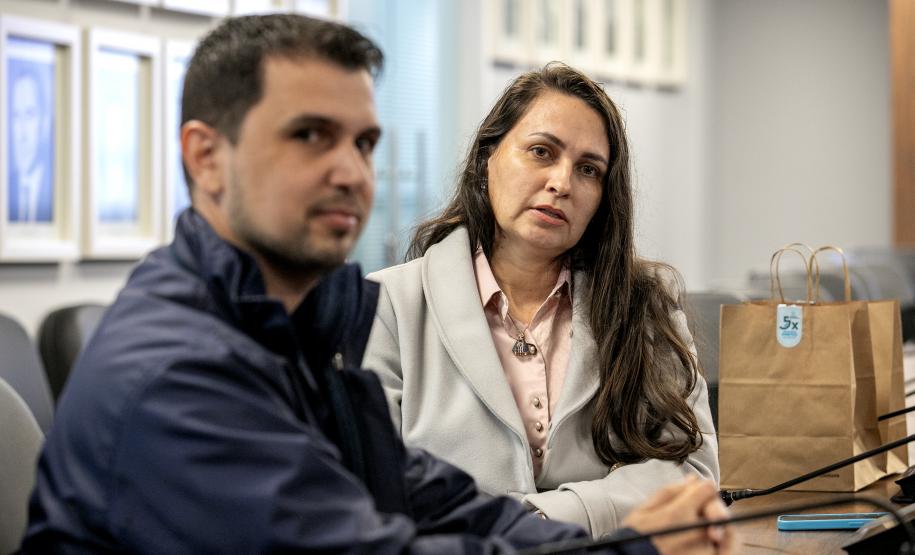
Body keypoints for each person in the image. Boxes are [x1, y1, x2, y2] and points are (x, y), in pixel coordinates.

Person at [23, 15, 732, 554]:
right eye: (310, 136)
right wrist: (628, 542)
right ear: (206, 157)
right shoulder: (177, 371)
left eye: (362, 143)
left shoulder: (291, 327)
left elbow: (418, 489)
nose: (351, 172)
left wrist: (595, 539)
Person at [363, 63, 719, 538]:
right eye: (540, 152)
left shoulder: (644, 304)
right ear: (488, 157)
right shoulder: (388, 305)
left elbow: (691, 476)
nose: (562, 183)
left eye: (588, 169)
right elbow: (369, 486)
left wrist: (547, 517)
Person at [8, 66, 53, 223]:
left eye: (29, 115)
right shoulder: (6, 187)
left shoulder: (58, 191)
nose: (22, 134)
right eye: (16, 116)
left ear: (44, 122)